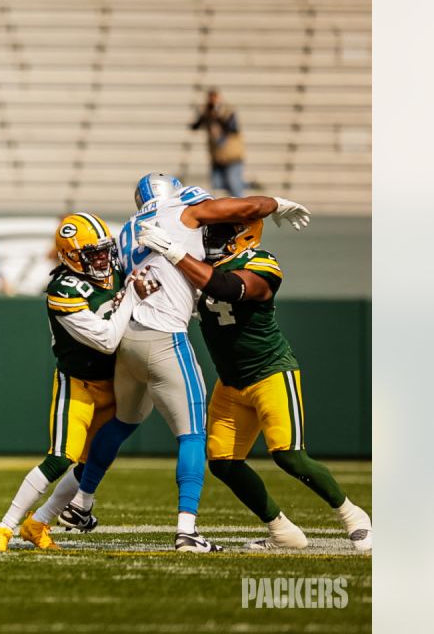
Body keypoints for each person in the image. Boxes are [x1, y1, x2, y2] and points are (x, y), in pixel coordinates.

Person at [59, 173, 312, 553]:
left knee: (123, 422)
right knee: (192, 434)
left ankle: (81, 502)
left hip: (128, 338)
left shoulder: (129, 228)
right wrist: (279, 203)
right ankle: (187, 531)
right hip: (164, 339)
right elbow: (246, 207)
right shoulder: (182, 210)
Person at [136, 219, 373, 552]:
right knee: (222, 462)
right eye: (212, 233)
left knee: (290, 456)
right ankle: (281, 530)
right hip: (231, 382)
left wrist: (174, 252)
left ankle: (354, 516)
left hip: (270, 372)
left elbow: (228, 289)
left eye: (221, 234)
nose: (212, 239)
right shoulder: (201, 266)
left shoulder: (262, 263)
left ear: (245, 236)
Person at [0, 213, 155, 552]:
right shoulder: (64, 287)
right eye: (94, 254)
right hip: (78, 384)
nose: (103, 259)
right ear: (72, 256)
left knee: (92, 462)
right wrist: (132, 297)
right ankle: (3, 528)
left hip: (114, 385)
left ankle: (38, 523)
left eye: (105, 251)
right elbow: (106, 340)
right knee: (60, 458)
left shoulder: (117, 273)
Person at [190, 88, 247, 197]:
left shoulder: (228, 111)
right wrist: (203, 112)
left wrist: (217, 115)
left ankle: (241, 210)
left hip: (232, 156)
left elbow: (232, 128)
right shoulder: (207, 114)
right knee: (216, 186)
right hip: (217, 158)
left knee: (234, 184)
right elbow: (195, 126)